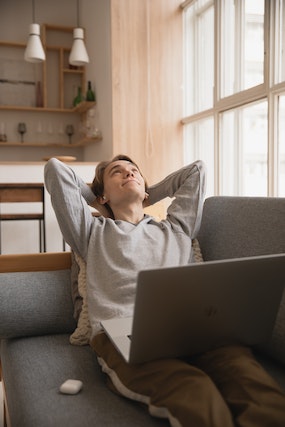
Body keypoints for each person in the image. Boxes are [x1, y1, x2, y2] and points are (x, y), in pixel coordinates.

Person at [45, 155, 285, 427]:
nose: (129, 173)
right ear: (101, 197)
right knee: (194, 391)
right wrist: (99, 196)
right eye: (117, 172)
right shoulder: (91, 231)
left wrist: (144, 192)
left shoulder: (176, 228)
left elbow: (197, 170)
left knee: (252, 384)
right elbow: (56, 170)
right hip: (124, 333)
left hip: (195, 330)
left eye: (134, 171)